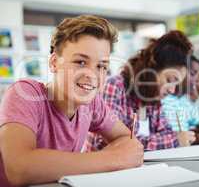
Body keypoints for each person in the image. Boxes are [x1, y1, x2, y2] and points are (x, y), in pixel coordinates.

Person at [0, 15, 143, 186]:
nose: (92, 75)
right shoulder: (24, 93)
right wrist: (114, 158)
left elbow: (127, 138)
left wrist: (121, 153)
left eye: (101, 66)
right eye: (81, 62)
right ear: (54, 63)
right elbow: (19, 168)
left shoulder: (93, 103)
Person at [84, 30, 196, 152]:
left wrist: (174, 138)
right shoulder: (115, 86)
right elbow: (107, 143)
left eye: (176, 84)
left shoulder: (153, 99)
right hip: (104, 170)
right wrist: (174, 140)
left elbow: (166, 132)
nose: (172, 90)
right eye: (169, 79)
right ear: (151, 70)